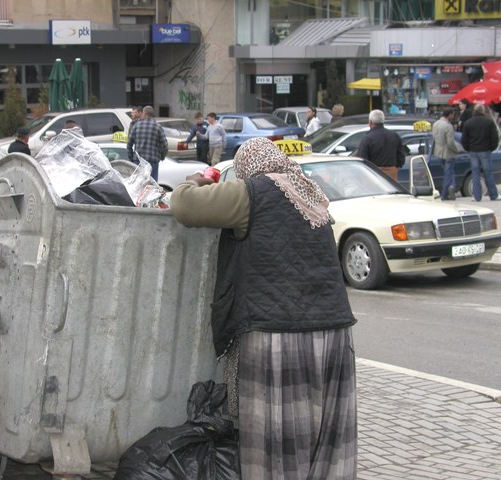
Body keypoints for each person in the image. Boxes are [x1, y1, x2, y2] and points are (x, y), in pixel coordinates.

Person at [170, 137, 357, 480]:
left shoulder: (251, 192)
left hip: (276, 336)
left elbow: (183, 205)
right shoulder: (310, 192)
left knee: (277, 440)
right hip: (333, 333)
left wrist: (197, 179)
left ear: (247, 167)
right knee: (322, 436)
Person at [461, 103, 499, 201]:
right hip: (485, 150)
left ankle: (477, 196)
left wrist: (468, 148)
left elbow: (464, 139)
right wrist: (492, 148)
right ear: (483, 111)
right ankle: (493, 194)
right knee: (488, 172)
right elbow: (494, 137)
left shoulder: (468, 123)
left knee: (475, 173)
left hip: (473, 151)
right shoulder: (489, 122)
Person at [356, 109, 406, 181]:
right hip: (391, 175)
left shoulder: (367, 139)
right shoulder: (395, 136)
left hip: (373, 175)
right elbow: (401, 157)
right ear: (383, 121)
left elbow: (362, 159)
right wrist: (395, 168)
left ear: (370, 122)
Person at [127, 105, 168, 181]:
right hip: (153, 161)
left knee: (138, 185)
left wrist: (132, 158)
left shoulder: (136, 126)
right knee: (151, 186)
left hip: (138, 162)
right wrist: (161, 157)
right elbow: (165, 146)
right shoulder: (158, 127)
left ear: (144, 113)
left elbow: (129, 144)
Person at [432, 108, 460, 201]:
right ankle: (445, 193)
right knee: (448, 173)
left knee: (449, 171)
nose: (453, 116)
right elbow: (450, 142)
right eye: (452, 114)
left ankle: (452, 186)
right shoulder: (448, 126)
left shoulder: (436, 124)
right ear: (449, 115)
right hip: (448, 152)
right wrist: (457, 150)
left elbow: (434, 137)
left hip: (438, 152)